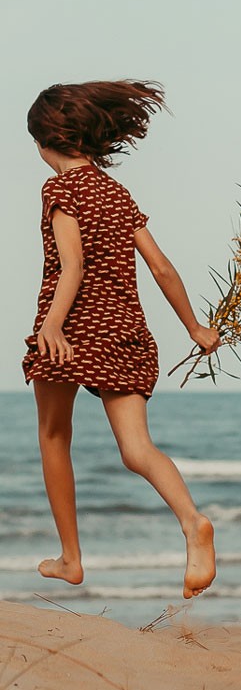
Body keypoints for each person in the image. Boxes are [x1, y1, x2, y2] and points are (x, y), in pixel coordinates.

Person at [22, 80, 220, 599]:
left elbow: (73, 266)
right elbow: (161, 267)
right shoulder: (115, 192)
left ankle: (71, 558)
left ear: (47, 141)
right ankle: (192, 521)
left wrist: (51, 326)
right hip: (124, 332)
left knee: (53, 435)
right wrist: (195, 327)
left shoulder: (59, 190)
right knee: (136, 449)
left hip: (72, 329)